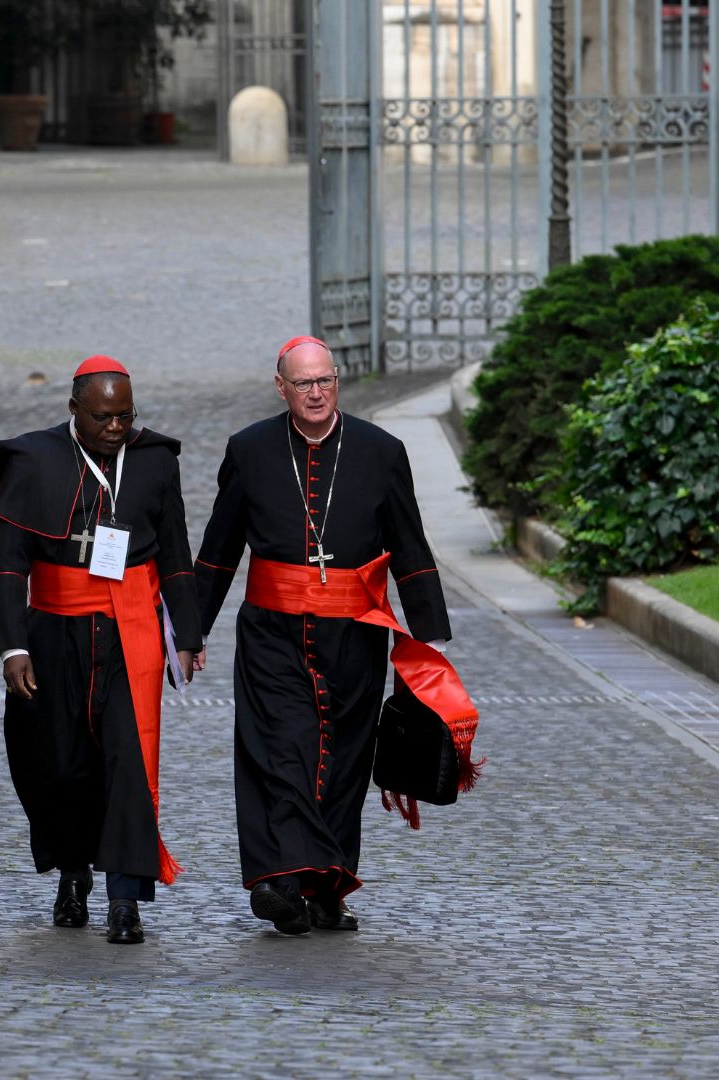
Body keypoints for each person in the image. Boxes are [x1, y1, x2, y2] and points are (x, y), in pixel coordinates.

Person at [191, 335, 478, 935]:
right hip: (271, 633)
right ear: (282, 388)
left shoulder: (380, 451)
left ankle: (327, 889)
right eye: (304, 383)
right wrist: (191, 631)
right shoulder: (250, 450)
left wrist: (430, 641)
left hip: (355, 633)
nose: (317, 393)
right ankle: (278, 881)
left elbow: (410, 545)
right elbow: (219, 550)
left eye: (326, 380)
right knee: (281, 750)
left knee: (346, 760)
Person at [0, 354, 200, 945]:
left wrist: (188, 637)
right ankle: (73, 872)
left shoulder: (154, 460)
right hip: (53, 634)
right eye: (103, 418)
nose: (116, 428)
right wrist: (12, 647)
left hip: (130, 632)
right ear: (74, 410)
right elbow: (10, 565)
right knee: (60, 765)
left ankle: (125, 900)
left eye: (125, 416)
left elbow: (175, 552)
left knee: (128, 763)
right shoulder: (34, 460)